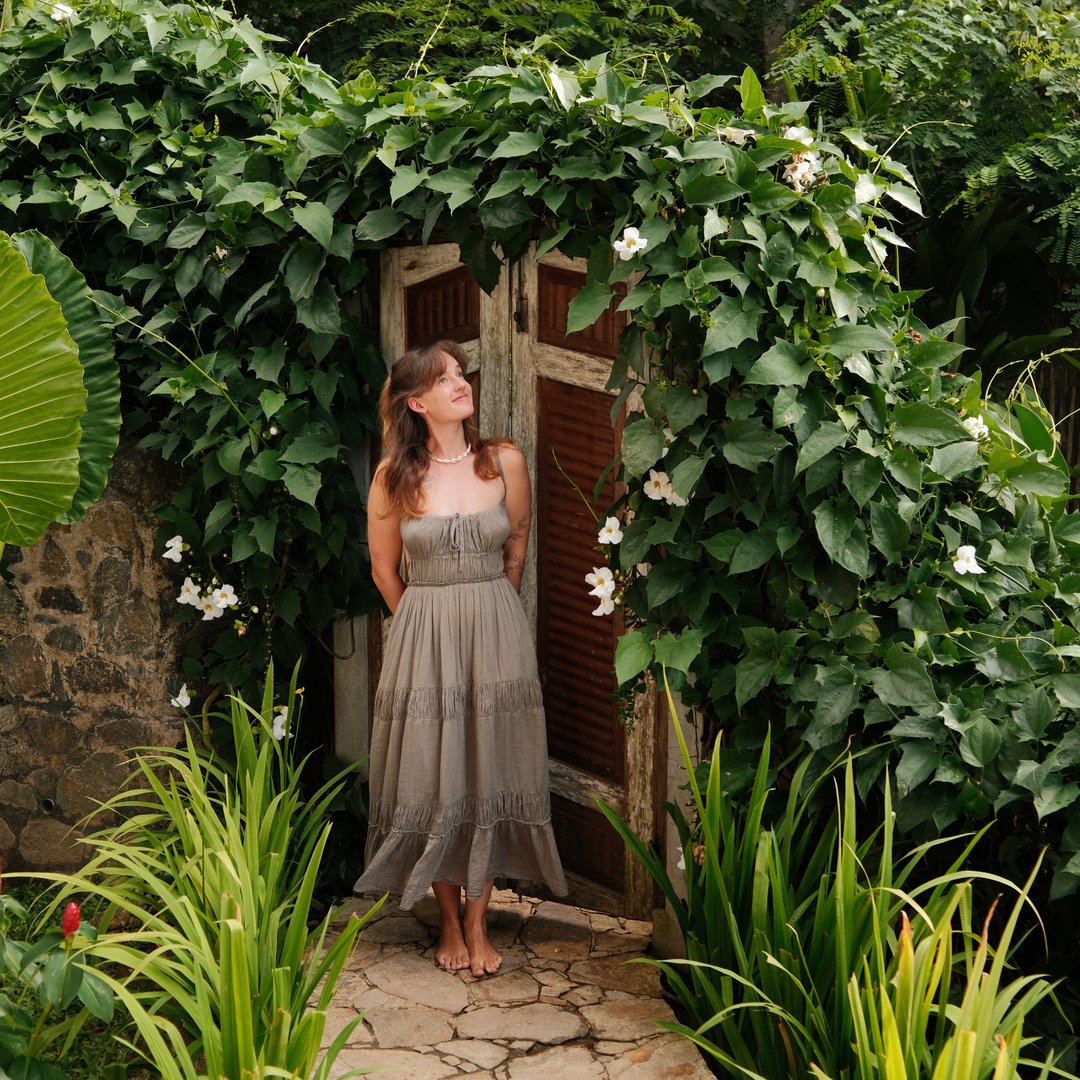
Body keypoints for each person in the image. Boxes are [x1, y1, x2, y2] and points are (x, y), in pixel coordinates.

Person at [353, 339, 567, 977]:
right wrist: (422, 623)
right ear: (417, 403)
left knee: (490, 767)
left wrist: (496, 603)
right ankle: (447, 921)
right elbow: (384, 569)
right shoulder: (393, 478)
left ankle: (478, 921)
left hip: (497, 628)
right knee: (433, 772)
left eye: (460, 374)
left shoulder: (504, 461)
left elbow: (518, 540)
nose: (460, 384)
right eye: (444, 379)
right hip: (424, 634)